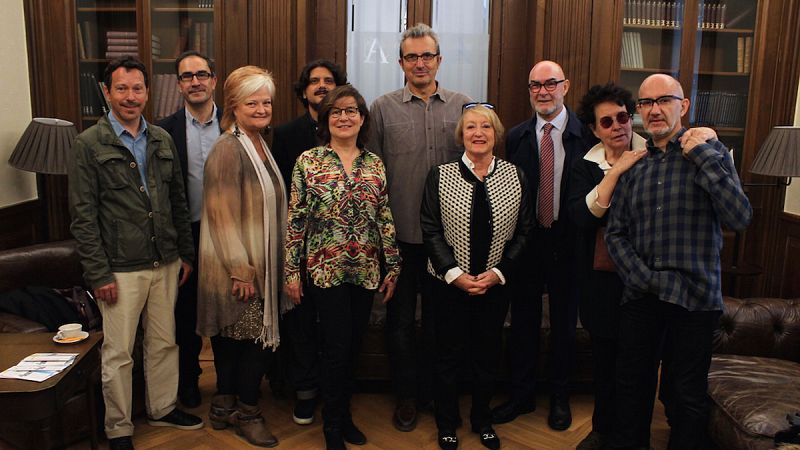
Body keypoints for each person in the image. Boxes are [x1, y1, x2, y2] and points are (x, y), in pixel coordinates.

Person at [605, 74, 752, 450]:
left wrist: (701, 155)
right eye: (646, 103)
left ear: (683, 106)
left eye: (664, 101)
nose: (654, 110)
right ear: (639, 111)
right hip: (641, 296)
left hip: (695, 298)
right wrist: (643, 278)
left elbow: (739, 217)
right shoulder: (634, 165)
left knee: (685, 394)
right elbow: (615, 234)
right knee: (630, 388)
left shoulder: (710, 154)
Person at [68, 56, 203, 450]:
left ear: (148, 92)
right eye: (122, 88)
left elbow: (178, 202)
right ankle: (119, 428)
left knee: (164, 343)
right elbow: (83, 217)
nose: (131, 96)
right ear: (107, 92)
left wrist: (186, 254)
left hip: (166, 261)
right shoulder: (88, 144)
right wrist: (98, 273)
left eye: (138, 88)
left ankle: (162, 408)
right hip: (119, 269)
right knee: (118, 353)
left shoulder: (161, 139)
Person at [285, 85, 401, 450]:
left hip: (365, 269)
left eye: (351, 111)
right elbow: (296, 220)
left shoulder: (374, 163)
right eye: (336, 111)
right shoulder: (309, 161)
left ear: (362, 118)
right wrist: (291, 271)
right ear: (326, 119)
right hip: (325, 268)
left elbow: (384, 217)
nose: (344, 117)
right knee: (336, 346)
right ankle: (332, 425)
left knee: (353, 347)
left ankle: (345, 415)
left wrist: (393, 267)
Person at [368, 22, 471, 431]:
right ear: (401, 64)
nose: (420, 63)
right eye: (412, 57)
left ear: (439, 60)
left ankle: (436, 393)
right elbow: (373, 175)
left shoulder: (463, 106)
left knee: (441, 324)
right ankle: (407, 397)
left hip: (449, 241)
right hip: (400, 238)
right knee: (399, 324)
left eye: (427, 55)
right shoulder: (381, 109)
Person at [420, 103, 534, 450]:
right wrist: (453, 274)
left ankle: (482, 420)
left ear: (496, 134)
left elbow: (525, 230)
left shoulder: (515, 176)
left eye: (486, 126)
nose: (478, 133)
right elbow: (430, 229)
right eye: (471, 127)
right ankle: (446, 422)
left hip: (494, 286)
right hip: (448, 286)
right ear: (461, 135)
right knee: (447, 357)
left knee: (487, 356)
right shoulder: (440, 175)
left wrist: (499, 273)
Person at [493, 60, 595, 430]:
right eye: (535, 85)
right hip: (528, 243)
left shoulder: (587, 136)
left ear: (565, 86)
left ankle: (559, 397)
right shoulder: (516, 137)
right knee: (523, 322)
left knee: (565, 325)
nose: (543, 91)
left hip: (570, 243)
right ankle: (521, 395)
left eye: (550, 83)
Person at [196, 65, 289, 448]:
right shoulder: (228, 148)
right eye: (252, 103)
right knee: (251, 342)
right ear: (234, 105)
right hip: (237, 267)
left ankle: (223, 407)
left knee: (237, 342)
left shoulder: (258, 142)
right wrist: (241, 270)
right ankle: (248, 413)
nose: (262, 109)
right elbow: (219, 215)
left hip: (258, 263)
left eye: (266, 102)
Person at [271, 59, 348, 425]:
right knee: (300, 321)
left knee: (336, 327)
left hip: (342, 249)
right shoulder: (285, 134)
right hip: (300, 244)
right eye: (314, 81)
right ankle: (304, 392)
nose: (321, 86)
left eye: (328, 80)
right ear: (303, 92)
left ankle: (336, 394)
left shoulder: (350, 132)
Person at [157, 50, 222, 408]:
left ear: (214, 80)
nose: (195, 82)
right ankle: (189, 381)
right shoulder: (162, 132)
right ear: (179, 85)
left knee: (228, 309)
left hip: (228, 235)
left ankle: (228, 383)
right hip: (188, 234)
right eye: (187, 76)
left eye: (202, 74)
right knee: (185, 315)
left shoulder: (235, 124)